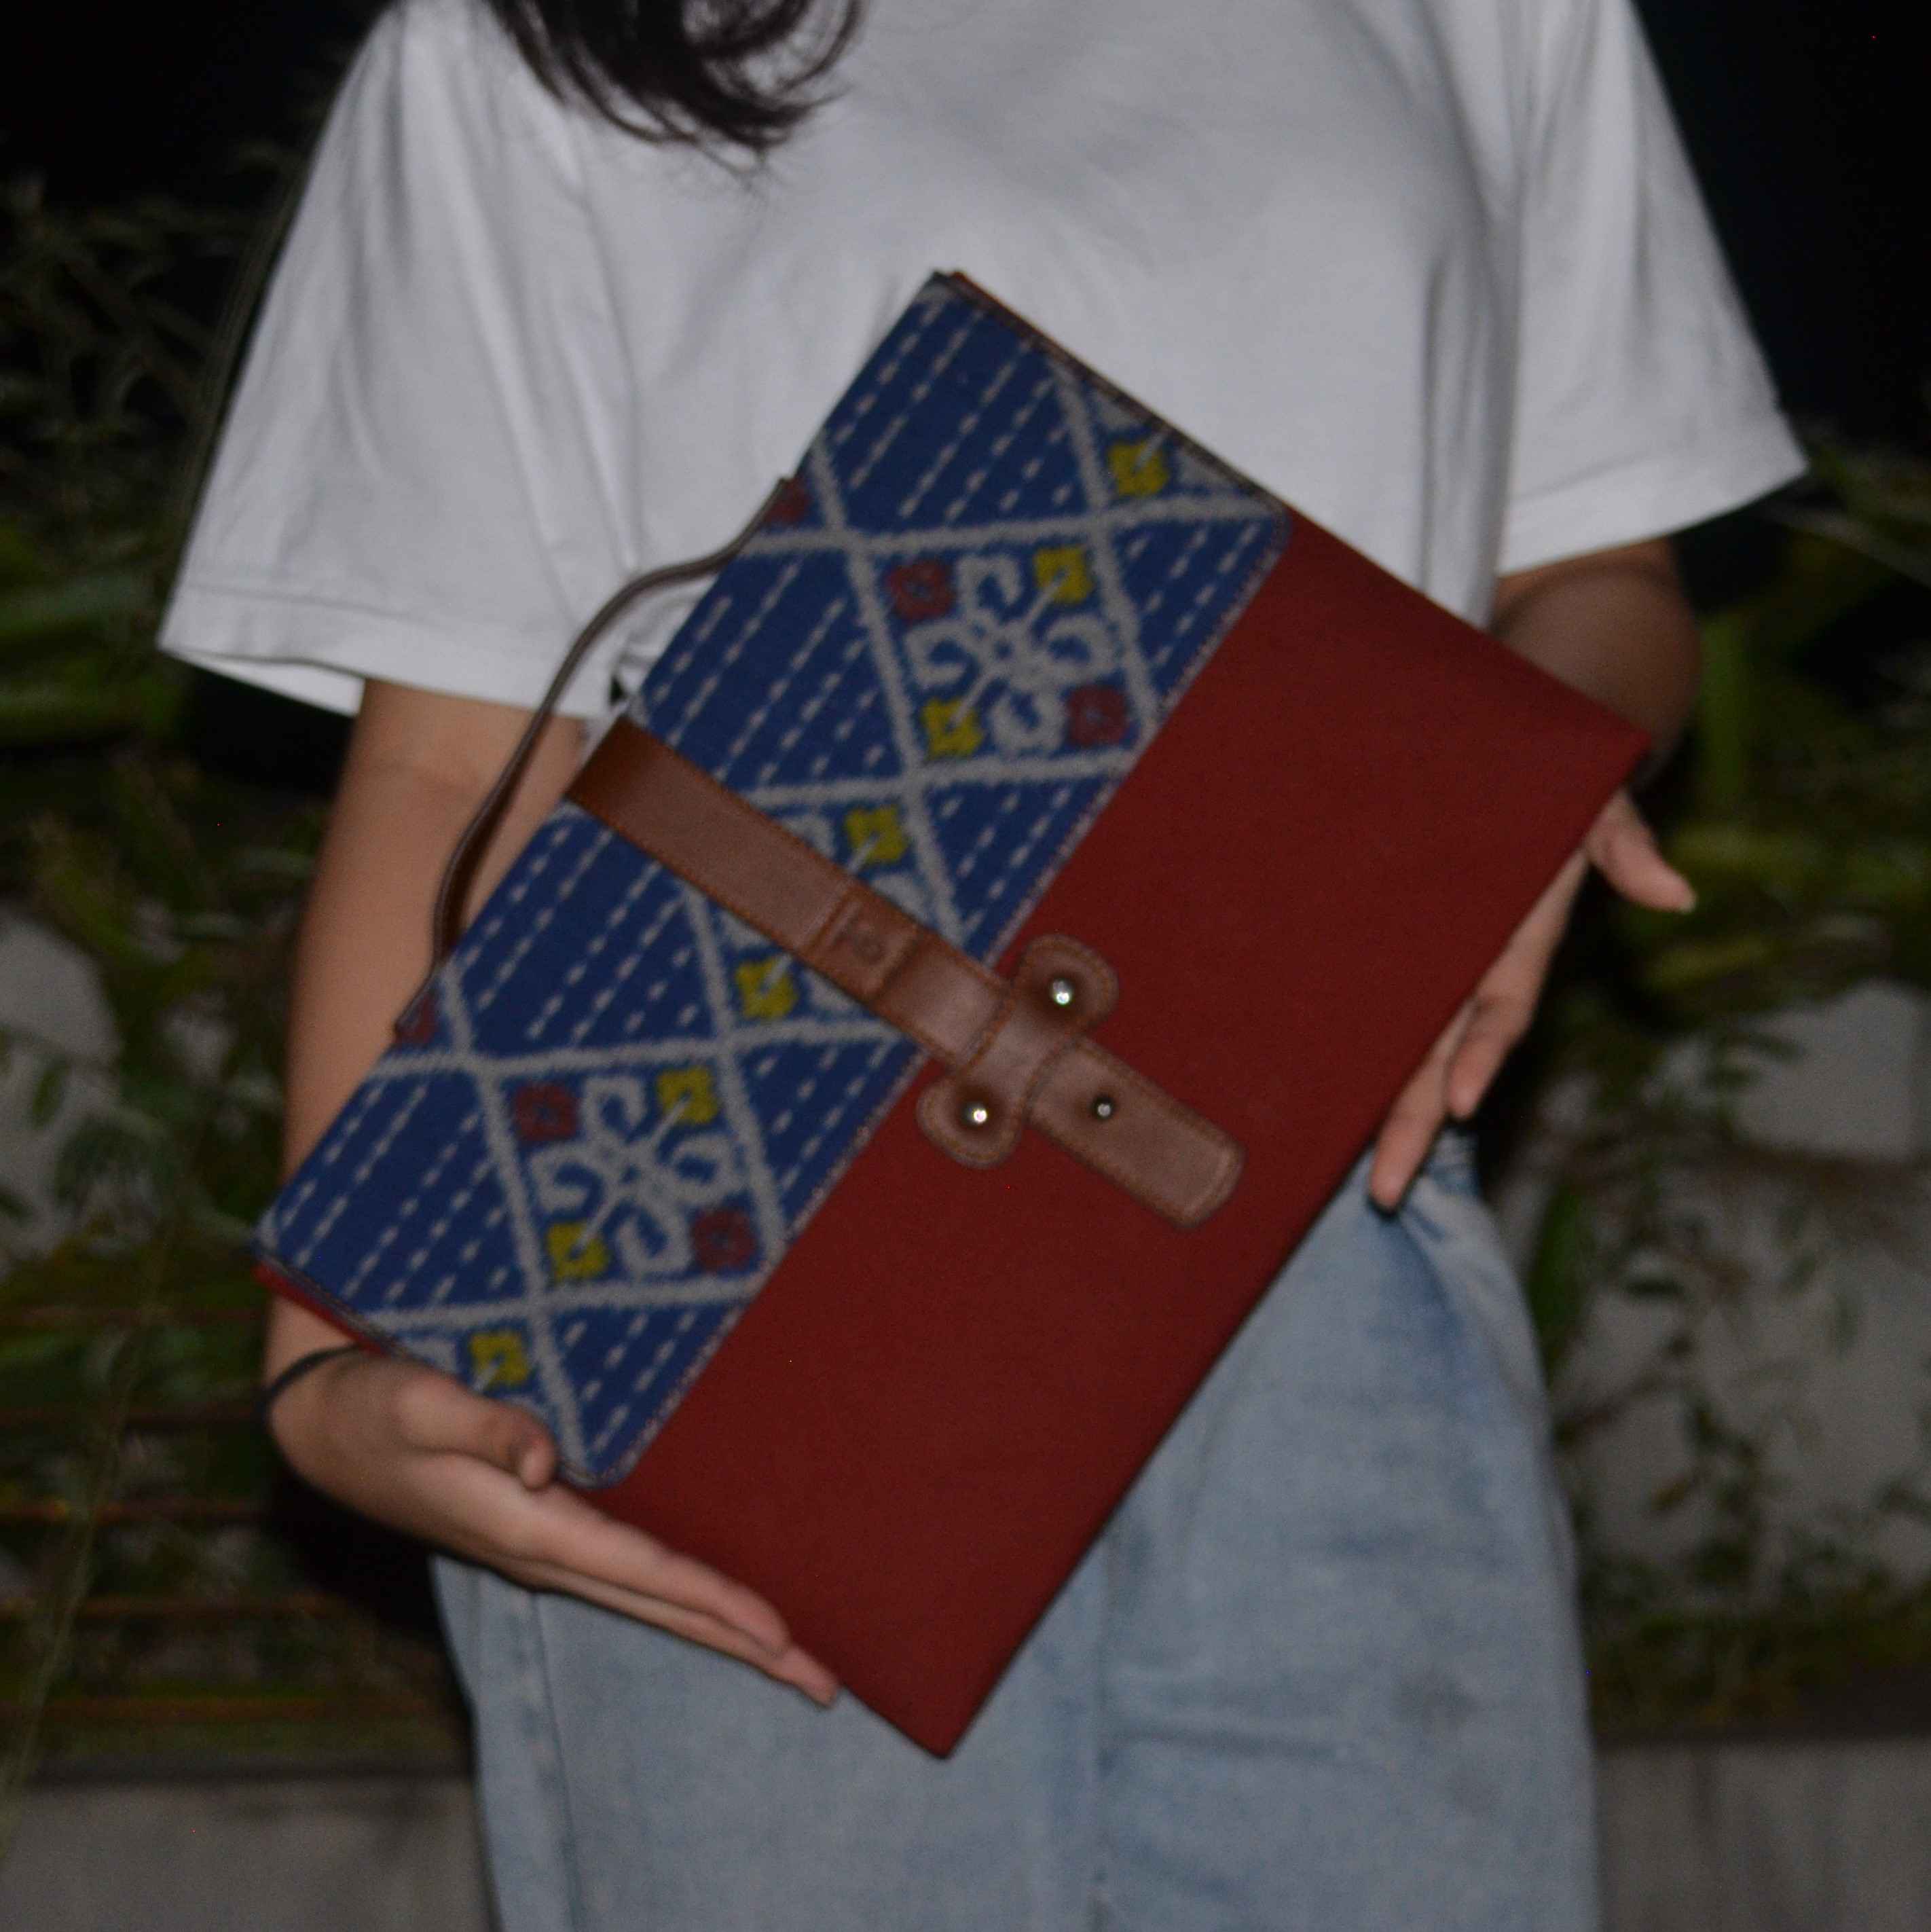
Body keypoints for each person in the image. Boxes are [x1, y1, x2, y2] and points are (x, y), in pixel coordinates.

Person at [162, 0, 1804, 1922]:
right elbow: (453, 754)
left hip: (1329, 1186)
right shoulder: (518, 43)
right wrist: (330, 1353)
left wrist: (1514, 794)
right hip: (730, 1214)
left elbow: (1602, 570)